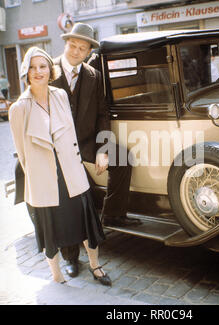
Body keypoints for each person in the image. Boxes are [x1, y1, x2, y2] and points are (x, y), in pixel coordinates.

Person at [9, 47, 111, 286]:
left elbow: (70, 134)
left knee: (86, 221)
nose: (38, 71)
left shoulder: (60, 95)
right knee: (51, 229)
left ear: (49, 69)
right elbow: (22, 154)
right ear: (26, 71)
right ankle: (57, 276)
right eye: (32, 67)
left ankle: (96, 267)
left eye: (42, 66)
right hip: (44, 177)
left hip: (71, 169)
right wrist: (37, 176)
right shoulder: (19, 108)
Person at [50, 22, 141, 278]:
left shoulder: (93, 75)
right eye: (72, 46)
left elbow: (103, 114)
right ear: (65, 44)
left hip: (90, 141)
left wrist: (103, 148)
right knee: (67, 196)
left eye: (82, 48)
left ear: (89, 51)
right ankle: (71, 257)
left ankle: (113, 215)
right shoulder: (49, 71)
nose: (76, 52)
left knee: (123, 157)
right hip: (59, 147)